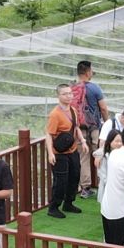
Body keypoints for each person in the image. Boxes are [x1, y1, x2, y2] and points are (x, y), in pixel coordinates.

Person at [44, 83, 84, 218]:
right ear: (58, 96)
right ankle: (53, 207)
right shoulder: (55, 114)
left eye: (70, 93)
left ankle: (68, 203)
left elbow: (77, 128)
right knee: (60, 180)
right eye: (65, 94)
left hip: (72, 150)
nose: (68, 96)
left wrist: (83, 141)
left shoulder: (73, 110)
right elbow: (49, 134)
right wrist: (50, 153)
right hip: (59, 152)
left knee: (75, 176)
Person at [75, 61, 110, 198]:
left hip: (80, 129)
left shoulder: (73, 88)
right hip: (95, 127)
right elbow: (103, 108)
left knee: (83, 157)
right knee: (100, 154)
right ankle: (103, 183)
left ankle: (85, 188)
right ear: (88, 72)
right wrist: (107, 123)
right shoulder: (94, 88)